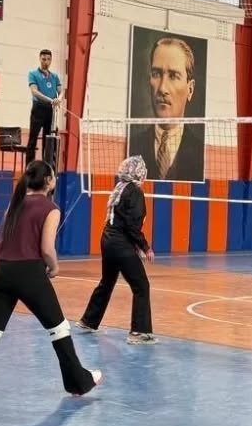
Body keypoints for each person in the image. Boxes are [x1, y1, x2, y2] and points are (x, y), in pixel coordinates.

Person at [0, 160, 101, 408]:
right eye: (53, 176)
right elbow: (47, 249)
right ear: (48, 181)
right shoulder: (51, 209)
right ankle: (78, 382)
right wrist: (54, 267)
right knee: (59, 328)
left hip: (2, 273)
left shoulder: (14, 205)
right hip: (29, 273)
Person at [74, 155, 157, 344]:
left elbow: (121, 221)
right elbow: (131, 225)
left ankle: (88, 321)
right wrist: (145, 247)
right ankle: (139, 332)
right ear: (139, 173)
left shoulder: (119, 187)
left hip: (107, 240)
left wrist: (135, 245)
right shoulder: (135, 192)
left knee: (107, 281)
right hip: (120, 243)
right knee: (141, 285)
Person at [128, 37, 205, 181]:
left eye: (173, 76)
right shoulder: (132, 145)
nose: (162, 88)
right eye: (156, 74)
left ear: (190, 89)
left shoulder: (202, 152)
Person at [26, 49, 63, 165]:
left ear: (51, 60)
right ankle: (29, 167)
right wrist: (50, 100)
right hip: (38, 108)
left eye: (48, 59)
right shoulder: (33, 74)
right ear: (40, 59)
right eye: (43, 59)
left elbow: (61, 91)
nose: (45, 62)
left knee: (49, 141)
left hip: (50, 111)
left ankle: (47, 167)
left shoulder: (54, 76)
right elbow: (34, 91)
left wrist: (59, 99)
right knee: (33, 139)